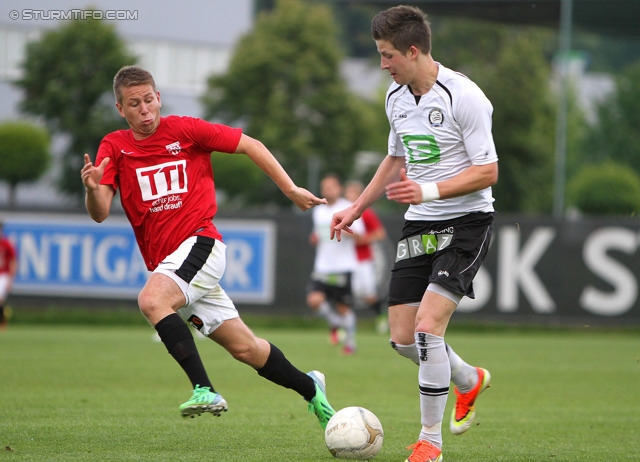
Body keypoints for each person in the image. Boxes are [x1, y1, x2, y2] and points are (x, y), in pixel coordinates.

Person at [80, 65, 336, 430]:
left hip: (200, 243)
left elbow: (251, 144)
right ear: (121, 109)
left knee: (152, 300)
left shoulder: (184, 130)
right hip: (169, 263)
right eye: (134, 104)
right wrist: (92, 190)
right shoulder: (114, 146)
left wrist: (291, 188)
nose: (145, 110)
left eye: (149, 100)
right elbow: (101, 213)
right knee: (246, 348)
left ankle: (204, 389)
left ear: (159, 98)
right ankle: (310, 386)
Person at [330, 6, 498, 462]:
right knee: (403, 338)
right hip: (420, 224)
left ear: (412, 50)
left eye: (387, 56)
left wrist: (428, 188)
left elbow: (488, 172)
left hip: (466, 224)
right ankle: (468, 380)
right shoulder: (395, 96)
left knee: (427, 329)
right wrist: (356, 208)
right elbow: (394, 159)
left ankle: (431, 442)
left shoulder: (465, 96)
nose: (383, 65)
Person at [307, 174, 364, 355]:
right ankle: (335, 322)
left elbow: (360, 235)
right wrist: (315, 237)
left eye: (331, 187)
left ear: (339, 189)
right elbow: (319, 234)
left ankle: (350, 343)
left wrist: (346, 230)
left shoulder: (348, 208)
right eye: (324, 187)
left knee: (343, 307)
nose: (327, 190)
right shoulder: (318, 211)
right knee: (314, 300)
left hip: (343, 266)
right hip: (322, 266)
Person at [344, 179, 389, 334]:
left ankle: (380, 315)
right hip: (346, 260)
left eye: (353, 192)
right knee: (349, 293)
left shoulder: (366, 213)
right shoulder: (341, 211)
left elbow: (380, 234)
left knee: (369, 294)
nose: (349, 195)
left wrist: (363, 239)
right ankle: (345, 326)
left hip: (363, 259)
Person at [0, 220, 17, 331]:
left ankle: (3, 321)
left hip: (3, 275)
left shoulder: (6, 244)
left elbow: (13, 261)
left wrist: (10, 280)